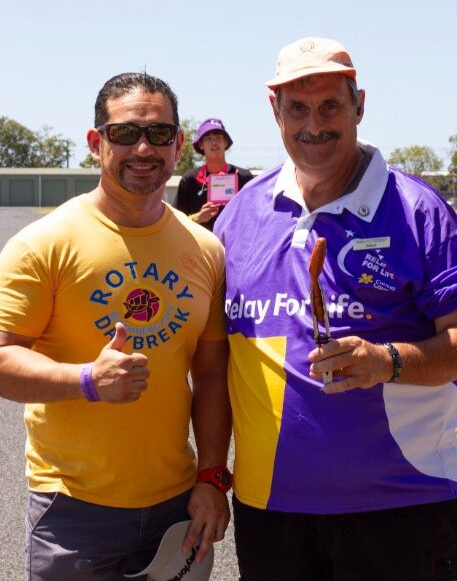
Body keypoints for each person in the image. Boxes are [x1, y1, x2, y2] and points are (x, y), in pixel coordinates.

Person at [213, 37, 457, 581]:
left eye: (330, 106)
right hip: (270, 509)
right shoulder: (240, 216)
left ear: (359, 105)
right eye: (296, 108)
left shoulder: (419, 211)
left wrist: (387, 360)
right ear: (273, 111)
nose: (313, 124)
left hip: (401, 506)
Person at [0, 72, 232, 581]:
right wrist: (87, 380)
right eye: (125, 133)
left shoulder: (205, 249)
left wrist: (213, 476)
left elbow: (212, 373)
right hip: (74, 509)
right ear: (95, 142)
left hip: (176, 504)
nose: (144, 148)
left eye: (161, 134)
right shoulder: (44, 244)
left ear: (180, 146)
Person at [173, 118, 253, 230]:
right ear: (201, 144)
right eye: (208, 138)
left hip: (236, 245)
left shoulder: (244, 177)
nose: (214, 142)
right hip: (200, 246)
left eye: (218, 137)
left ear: (226, 142)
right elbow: (176, 221)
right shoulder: (189, 179)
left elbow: (254, 216)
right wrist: (197, 218)